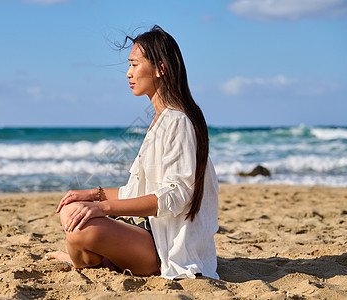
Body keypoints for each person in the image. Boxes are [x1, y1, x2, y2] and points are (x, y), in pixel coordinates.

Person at [46, 25, 219, 280]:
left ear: (160, 68)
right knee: (69, 207)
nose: (128, 73)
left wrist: (103, 208)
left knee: (81, 232)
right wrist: (93, 195)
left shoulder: (178, 121)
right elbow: (138, 192)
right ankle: (94, 257)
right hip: (144, 230)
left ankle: (89, 258)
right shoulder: (159, 120)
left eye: (135, 64)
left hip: (165, 246)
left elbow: (178, 194)